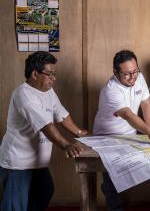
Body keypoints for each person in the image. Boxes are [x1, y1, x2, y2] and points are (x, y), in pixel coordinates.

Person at [0, 51, 88, 211]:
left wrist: (81, 134)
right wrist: (66, 145)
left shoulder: (48, 91)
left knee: (44, 191)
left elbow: (62, 116)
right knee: (15, 207)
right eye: (50, 74)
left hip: (37, 161)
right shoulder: (23, 94)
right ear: (35, 74)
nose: (54, 79)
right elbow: (46, 126)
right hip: (18, 162)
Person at [93, 49, 150, 211]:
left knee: (127, 175)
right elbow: (127, 114)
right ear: (115, 72)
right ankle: (114, 206)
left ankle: (109, 189)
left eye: (135, 71)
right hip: (108, 136)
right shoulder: (110, 90)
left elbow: (146, 103)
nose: (133, 77)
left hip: (131, 134)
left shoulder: (137, 77)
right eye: (127, 74)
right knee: (111, 175)